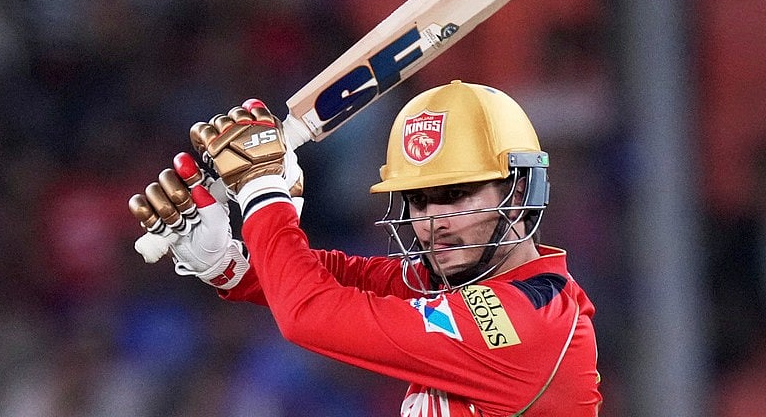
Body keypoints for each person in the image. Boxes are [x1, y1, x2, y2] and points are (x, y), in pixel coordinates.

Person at [128, 80, 602, 416]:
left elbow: (310, 314)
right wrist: (230, 266)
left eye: (455, 196)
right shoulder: (457, 285)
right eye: (418, 199)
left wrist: (263, 193)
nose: (433, 223)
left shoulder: (524, 323)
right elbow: (329, 280)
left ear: (517, 194)